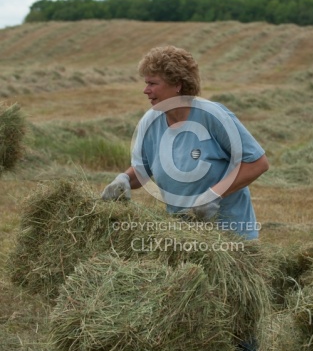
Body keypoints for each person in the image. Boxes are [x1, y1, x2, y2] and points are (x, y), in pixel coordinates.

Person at [102, 45, 269, 241]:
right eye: (146, 83)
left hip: (230, 237)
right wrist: (123, 180)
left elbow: (257, 163)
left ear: (177, 84)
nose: (146, 90)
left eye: (153, 83)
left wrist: (214, 195)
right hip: (184, 237)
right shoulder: (150, 122)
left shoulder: (212, 116)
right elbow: (142, 170)